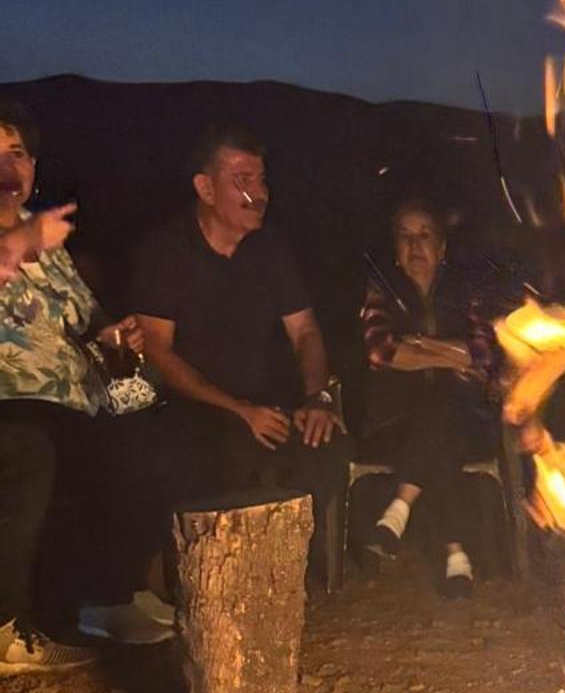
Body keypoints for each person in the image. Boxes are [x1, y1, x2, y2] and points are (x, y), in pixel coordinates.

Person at [131, 126, 348, 578]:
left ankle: (278, 576)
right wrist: (239, 409)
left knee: (325, 447)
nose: (258, 193)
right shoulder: (166, 252)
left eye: (262, 180)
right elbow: (157, 351)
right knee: (220, 449)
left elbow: (306, 331)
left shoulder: (271, 248)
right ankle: (202, 576)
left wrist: (316, 399)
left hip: (268, 405)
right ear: (205, 188)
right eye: (242, 180)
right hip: (193, 406)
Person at [0, 103, 170, 671]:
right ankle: (6, 629)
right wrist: (19, 243)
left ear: (34, 168)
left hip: (75, 400)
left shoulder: (51, 249)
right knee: (34, 444)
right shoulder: (27, 239)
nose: (8, 164)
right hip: (12, 403)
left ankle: (108, 598)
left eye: (17, 152)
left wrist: (120, 337)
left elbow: (91, 325)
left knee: (156, 438)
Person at [357, 199, 502, 598]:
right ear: (396, 251)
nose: (415, 245)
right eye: (405, 237)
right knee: (439, 417)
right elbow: (382, 352)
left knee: (442, 411)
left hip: (460, 420)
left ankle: (399, 509)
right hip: (394, 421)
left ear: (442, 249)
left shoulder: (464, 293)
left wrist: (418, 344)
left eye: (424, 236)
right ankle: (456, 554)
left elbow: (483, 353)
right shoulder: (382, 292)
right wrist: (447, 352)